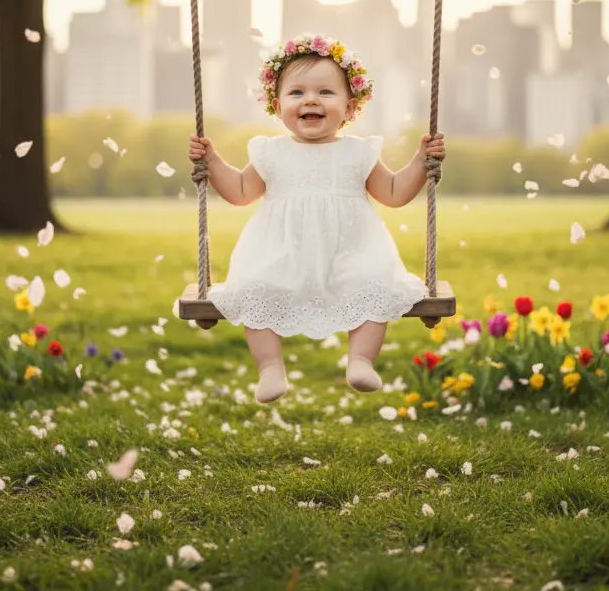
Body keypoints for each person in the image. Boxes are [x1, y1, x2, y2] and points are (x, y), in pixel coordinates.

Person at [186, 34, 446, 404]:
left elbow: (394, 193)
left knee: (373, 283)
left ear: (350, 107)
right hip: (281, 253)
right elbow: (241, 191)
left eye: (325, 92)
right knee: (255, 286)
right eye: (297, 93)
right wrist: (211, 162)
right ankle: (270, 368)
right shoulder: (270, 152)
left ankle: (360, 360)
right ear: (277, 107)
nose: (310, 100)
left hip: (352, 252)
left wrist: (422, 162)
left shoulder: (359, 152)